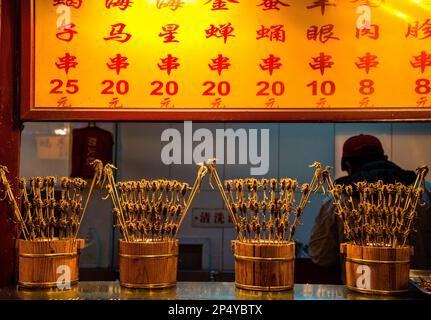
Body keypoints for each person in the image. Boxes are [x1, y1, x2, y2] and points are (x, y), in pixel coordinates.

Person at [308, 134, 431, 275]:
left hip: (360, 288)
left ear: (348, 165)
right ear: (382, 157)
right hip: (416, 291)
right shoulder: (423, 191)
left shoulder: (337, 198)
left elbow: (321, 256)